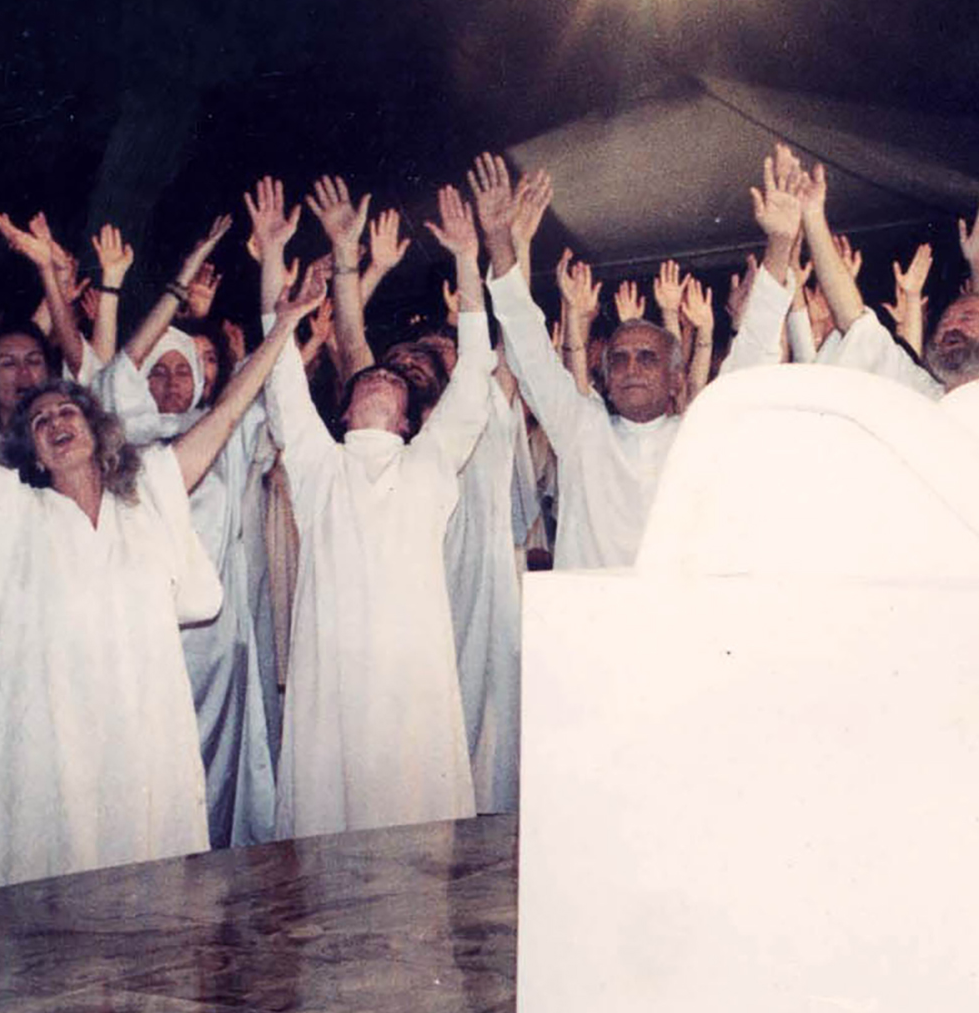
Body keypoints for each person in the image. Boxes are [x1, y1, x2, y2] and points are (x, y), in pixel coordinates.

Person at [0, 270, 319, 886]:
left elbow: (229, 413)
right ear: (33, 454)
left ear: (99, 433)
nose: (55, 421)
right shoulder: (15, 507)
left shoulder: (149, 493)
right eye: (40, 422)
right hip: (49, 741)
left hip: (143, 728)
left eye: (68, 409)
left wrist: (283, 326)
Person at [266, 182, 495, 837]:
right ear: (344, 410)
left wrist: (467, 257)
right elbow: (280, 381)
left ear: (408, 418)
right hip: (330, 688)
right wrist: (313, 263)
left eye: (395, 380)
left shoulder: (428, 465)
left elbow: (475, 367)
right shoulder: (319, 469)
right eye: (372, 373)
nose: (382, 374)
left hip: (409, 687)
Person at [93, 213, 282, 848]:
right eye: (160, 372)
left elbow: (263, 380)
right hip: (148, 635)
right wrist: (179, 279)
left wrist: (278, 300)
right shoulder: (122, 438)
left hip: (214, 638)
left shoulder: (223, 432)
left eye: (184, 372)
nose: (171, 382)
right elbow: (119, 363)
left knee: (215, 772)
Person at [475, 154, 682, 569]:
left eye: (647, 357)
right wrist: (500, 241)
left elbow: (755, 350)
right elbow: (529, 348)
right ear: (605, 379)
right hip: (589, 624)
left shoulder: (697, 435)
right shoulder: (582, 429)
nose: (631, 368)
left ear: (675, 379)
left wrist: (783, 246)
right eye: (619, 360)